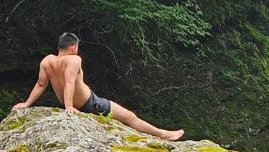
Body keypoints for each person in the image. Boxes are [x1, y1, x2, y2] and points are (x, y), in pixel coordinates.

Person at [10, 32, 184, 141]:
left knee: (126, 117)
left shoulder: (47, 60)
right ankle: (163, 134)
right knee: (129, 117)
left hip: (82, 102)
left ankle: (162, 133)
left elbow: (41, 84)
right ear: (72, 47)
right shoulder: (74, 59)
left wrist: (26, 103)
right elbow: (69, 81)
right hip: (90, 103)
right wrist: (69, 106)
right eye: (77, 48)